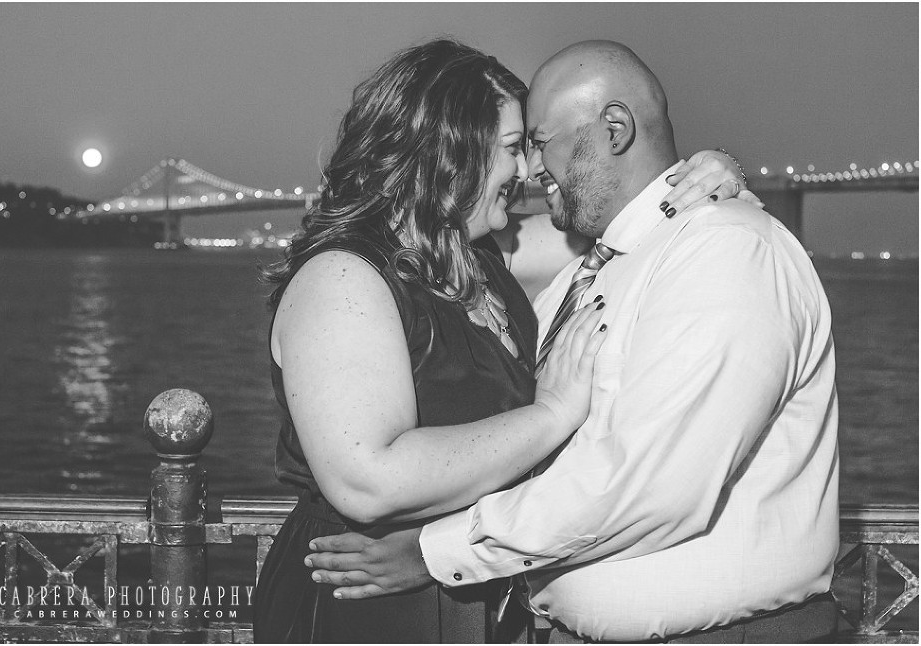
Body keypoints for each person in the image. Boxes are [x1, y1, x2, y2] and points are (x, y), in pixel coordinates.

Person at [306, 41, 840, 644]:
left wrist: (437, 551)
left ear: (613, 129)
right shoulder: (580, 262)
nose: (530, 172)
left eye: (536, 143)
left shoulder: (722, 251)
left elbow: (651, 484)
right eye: (515, 149)